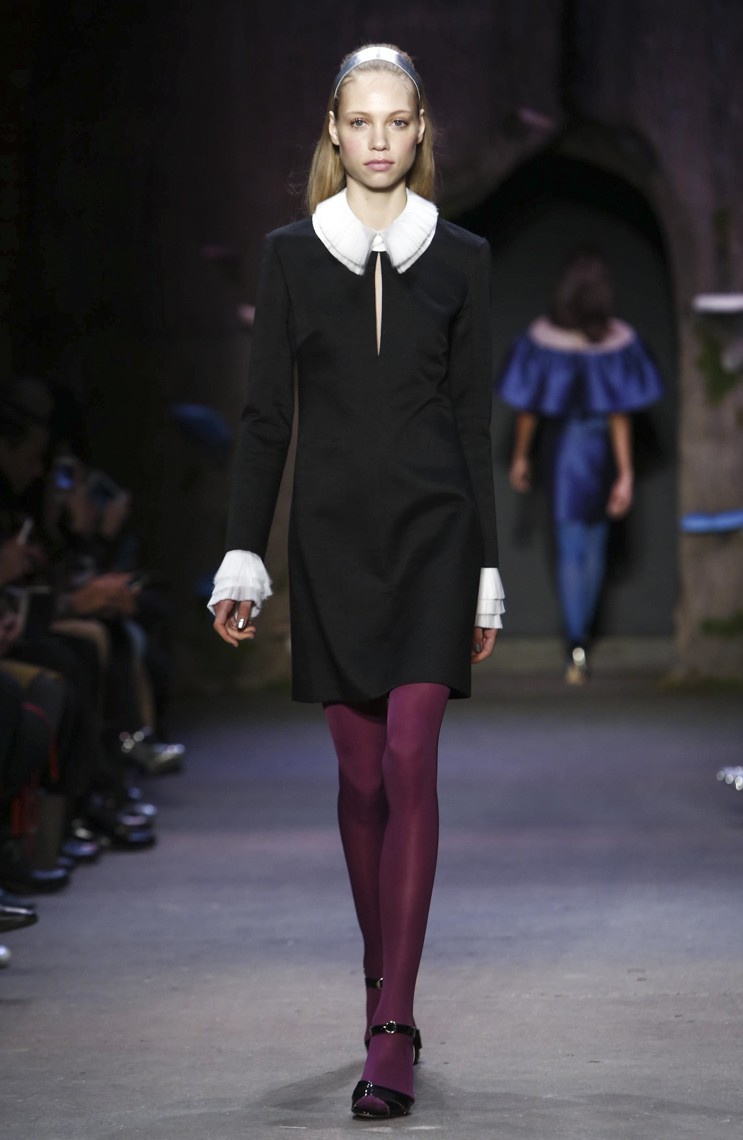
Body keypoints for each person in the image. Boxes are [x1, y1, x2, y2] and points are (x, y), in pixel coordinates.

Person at [209, 44, 504, 1120]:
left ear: (420, 132)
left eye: (397, 121)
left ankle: (394, 1026)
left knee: (414, 760)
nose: (380, 140)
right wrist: (243, 552)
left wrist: (485, 569)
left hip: (435, 536)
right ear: (335, 133)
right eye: (361, 121)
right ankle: (381, 980)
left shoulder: (461, 257)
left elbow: (471, 420)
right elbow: (264, 420)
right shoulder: (293, 255)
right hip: (330, 543)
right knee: (363, 780)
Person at [497, 250, 663, 682]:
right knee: (593, 548)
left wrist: (521, 456)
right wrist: (625, 474)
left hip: (565, 454)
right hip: (597, 453)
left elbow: (531, 409)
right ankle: (580, 638)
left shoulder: (546, 342)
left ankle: (576, 642)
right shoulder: (612, 345)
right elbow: (618, 413)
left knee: (574, 550)